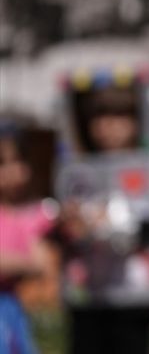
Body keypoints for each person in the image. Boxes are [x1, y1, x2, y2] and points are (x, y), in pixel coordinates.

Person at [54, 80, 149, 354]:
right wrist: (70, 225)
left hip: (136, 293)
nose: (108, 126)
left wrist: (127, 229)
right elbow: (59, 225)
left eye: (118, 116)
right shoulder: (75, 169)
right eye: (99, 117)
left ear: (135, 121)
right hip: (88, 292)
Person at [0, 122, 56, 354]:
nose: (12, 171)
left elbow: (41, 263)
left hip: (12, 309)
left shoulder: (33, 213)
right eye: (2, 164)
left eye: (17, 160)